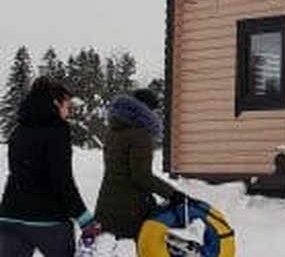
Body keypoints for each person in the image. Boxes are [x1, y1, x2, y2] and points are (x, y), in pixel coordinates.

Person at [0, 76, 101, 257]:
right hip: (48, 221)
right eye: (66, 106)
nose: (67, 112)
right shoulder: (57, 131)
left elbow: (20, 173)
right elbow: (62, 180)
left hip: (10, 217)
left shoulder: (18, 130)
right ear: (55, 103)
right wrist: (84, 219)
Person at [95, 88, 185, 240]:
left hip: (107, 204)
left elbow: (120, 171)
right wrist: (173, 194)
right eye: (154, 111)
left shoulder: (113, 130)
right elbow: (141, 175)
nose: (156, 115)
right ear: (146, 110)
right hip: (129, 209)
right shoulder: (140, 134)